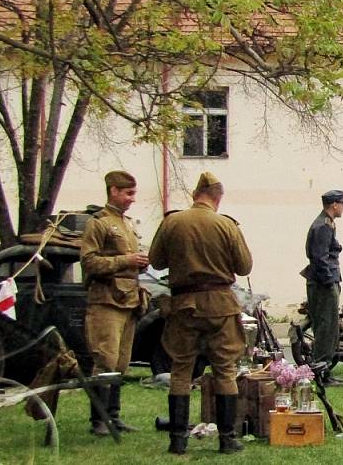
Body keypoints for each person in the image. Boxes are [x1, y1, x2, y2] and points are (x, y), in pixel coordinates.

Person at [148, 172, 253, 455]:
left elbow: (155, 261)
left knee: (181, 370)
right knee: (225, 370)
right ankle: (227, 439)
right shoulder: (226, 225)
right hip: (220, 305)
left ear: (196, 194)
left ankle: (178, 440)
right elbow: (244, 267)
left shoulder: (172, 222)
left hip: (184, 305)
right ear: (218, 198)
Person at [81, 170, 148, 436]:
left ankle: (114, 416)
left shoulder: (127, 224)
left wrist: (139, 263)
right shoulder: (98, 223)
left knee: (121, 362)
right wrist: (126, 261)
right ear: (113, 191)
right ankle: (99, 420)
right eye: (128, 193)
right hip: (106, 301)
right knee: (105, 360)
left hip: (128, 299)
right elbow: (89, 262)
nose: (132, 199)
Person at [300, 189, 343, 387]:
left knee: (329, 329)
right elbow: (319, 258)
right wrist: (329, 282)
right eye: (342, 204)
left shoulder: (327, 223)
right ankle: (321, 373)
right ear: (334, 205)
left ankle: (325, 370)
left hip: (325, 281)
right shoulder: (323, 226)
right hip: (323, 284)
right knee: (325, 328)